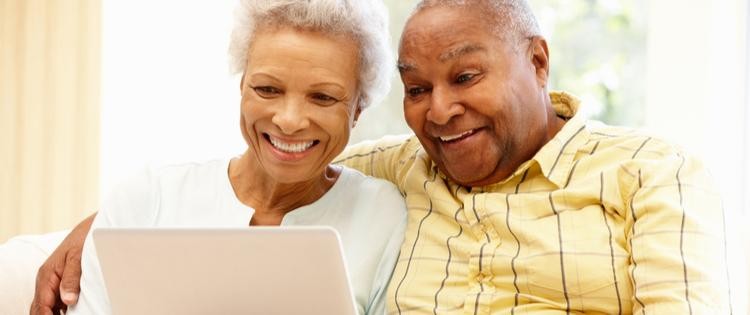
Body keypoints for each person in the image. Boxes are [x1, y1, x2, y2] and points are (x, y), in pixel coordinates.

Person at [32, 0, 733, 314]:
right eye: (418, 88)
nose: (439, 110)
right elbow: (287, 156)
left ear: (539, 61)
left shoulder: (650, 171)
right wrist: (100, 225)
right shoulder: (405, 167)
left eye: (465, 76)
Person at [28, 0, 408, 314]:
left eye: (323, 97)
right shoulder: (147, 198)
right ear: (242, 85)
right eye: (267, 89)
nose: (289, 121)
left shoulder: (384, 216)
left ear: (359, 108)